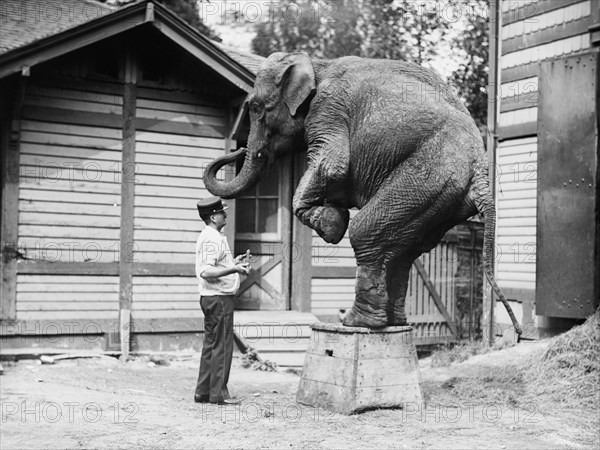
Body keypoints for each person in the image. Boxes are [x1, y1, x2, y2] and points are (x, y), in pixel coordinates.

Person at [194, 196, 250, 405]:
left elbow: (214, 265)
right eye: (221, 212)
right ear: (213, 216)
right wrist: (234, 269)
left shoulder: (212, 236)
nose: (225, 215)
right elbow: (206, 272)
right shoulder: (212, 238)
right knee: (223, 347)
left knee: (211, 344)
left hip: (212, 298)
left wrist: (233, 262)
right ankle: (218, 394)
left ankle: (203, 391)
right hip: (219, 299)